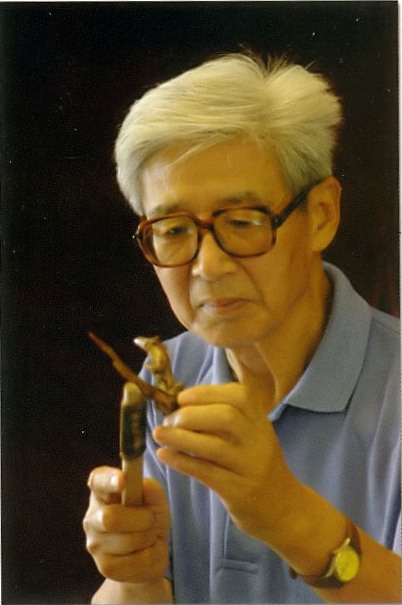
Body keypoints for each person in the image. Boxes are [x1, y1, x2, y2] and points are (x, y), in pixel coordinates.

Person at [83, 53, 401, 604]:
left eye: (243, 221)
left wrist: (286, 514)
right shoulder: (168, 374)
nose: (207, 266)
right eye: (174, 229)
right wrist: (133, 572)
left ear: (322, 214)